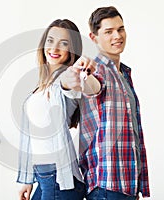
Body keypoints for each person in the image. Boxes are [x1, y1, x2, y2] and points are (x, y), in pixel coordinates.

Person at [60, 6, 150, 200]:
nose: (117, 35)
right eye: (108, 32)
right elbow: (92, 85)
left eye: (120, 29)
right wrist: (73, 78)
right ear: (94, 38)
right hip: (107, 185)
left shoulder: (124, 74)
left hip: (128, 184)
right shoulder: (96, 70)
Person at [17, 19, 98, 200]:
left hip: (58, 179)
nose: (54, 48)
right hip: (45, 177)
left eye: (64, 43)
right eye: (50, 40)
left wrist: (78, 69)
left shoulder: (66, 79)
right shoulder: (43, 85)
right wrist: (28, 180)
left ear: (72, 50)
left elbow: (69, 82)